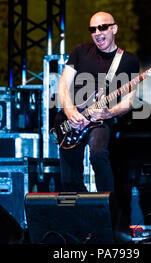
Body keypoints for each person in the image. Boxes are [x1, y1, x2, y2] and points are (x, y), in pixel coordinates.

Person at [57, 11, 140, 192]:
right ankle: (82, 208)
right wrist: (70, 111)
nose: (97, 32)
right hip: (72, 117)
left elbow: (128, 101)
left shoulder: (128, 60)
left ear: (114, 29)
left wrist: (109, 112)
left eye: (102, 27)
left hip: (101, 118)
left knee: (98, 154)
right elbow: (63, 84)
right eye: (92, 29)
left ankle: (106, 204)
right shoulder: (80, 52)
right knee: (69, 175)